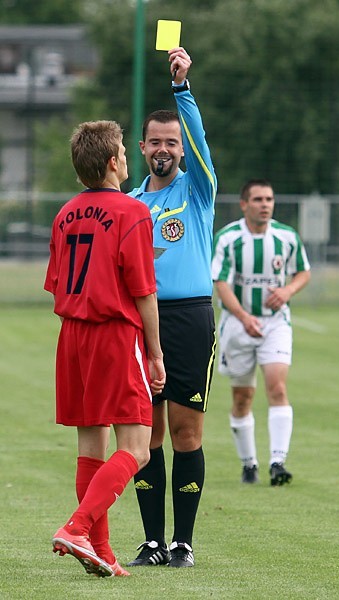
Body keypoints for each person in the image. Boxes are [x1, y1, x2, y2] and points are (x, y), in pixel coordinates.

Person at [44, 120, 165, 577]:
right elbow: (144, 292)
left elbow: (55, 283)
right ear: (114, 162)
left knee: (91, 448)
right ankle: (77, 527)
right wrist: (154, 353)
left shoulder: (64, 213)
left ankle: (103, 552)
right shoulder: (132, 212)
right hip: (114, 334)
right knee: (137, 450)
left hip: (72, 336)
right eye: (125, 153)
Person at [126, 47, 217, 568]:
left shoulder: (198, 191)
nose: (164, 149)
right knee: (146, 434)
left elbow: (201, 141)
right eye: (156, 142)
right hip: (139, 322)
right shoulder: (131, 202)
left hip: (188, 320)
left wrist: (183, 91)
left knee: (186, 431)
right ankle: (152, 542)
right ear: (142, 148)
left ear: (183, 150)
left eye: (172, 143)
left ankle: (183, 543)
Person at [211, 179, 311, 486]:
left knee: (277, 388)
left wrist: (288, 290)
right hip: (238, 325)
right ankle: (248, 464)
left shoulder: (286, 236)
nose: (265, 204)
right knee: (243, 397)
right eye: (258, 199)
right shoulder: (228, 238)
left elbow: (303, 271)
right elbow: (220, 282)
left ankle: (277, 462)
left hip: (275, 322)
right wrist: (243, 316)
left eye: (269, 198)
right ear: (244, 204)